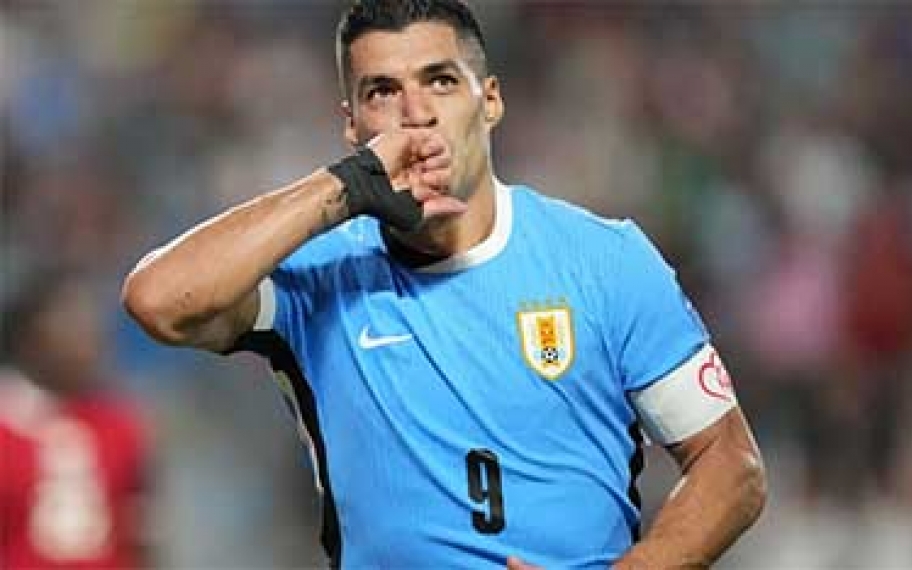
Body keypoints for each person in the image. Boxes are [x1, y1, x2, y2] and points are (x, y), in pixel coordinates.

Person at [122, 1, 766, 568]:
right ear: (353, 126)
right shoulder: (317, 275)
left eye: (440, 81)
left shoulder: (605, 260)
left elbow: (729, 465)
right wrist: (345, 186)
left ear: (490, 100)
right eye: (382, 92)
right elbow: (158, 301)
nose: (416, 115)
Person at [1, 270, 153, 569]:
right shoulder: (6, 423)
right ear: (28, 334)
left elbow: (140, 533)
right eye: (71, 321)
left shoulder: (119, 425)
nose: (87, 337)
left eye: (91, 323)